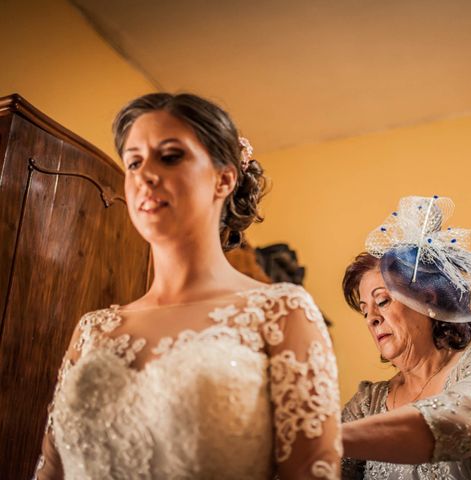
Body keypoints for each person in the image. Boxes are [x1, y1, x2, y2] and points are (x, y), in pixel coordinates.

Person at [34, 93, 341, 480]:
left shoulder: (281, 312)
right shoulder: (93, 330)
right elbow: (50, 470)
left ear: (224, 178)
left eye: (170, 156)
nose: (144, 174)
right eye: (133, 161)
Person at [340, 196, 471, 479]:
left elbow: (462, 421)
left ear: (428, 300)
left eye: (383, 301)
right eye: (364, 310)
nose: (371, 318)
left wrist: (324, 438)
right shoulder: (367, 404)